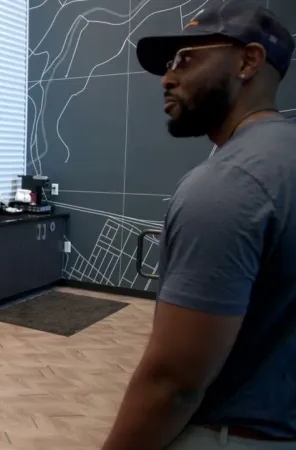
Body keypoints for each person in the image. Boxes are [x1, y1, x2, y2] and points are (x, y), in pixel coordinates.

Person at [101, 1, 296, 449]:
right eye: (169, 64)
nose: (168, 78)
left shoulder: (228, 184)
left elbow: (173, 382)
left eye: (187, 59)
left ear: (248, 61)